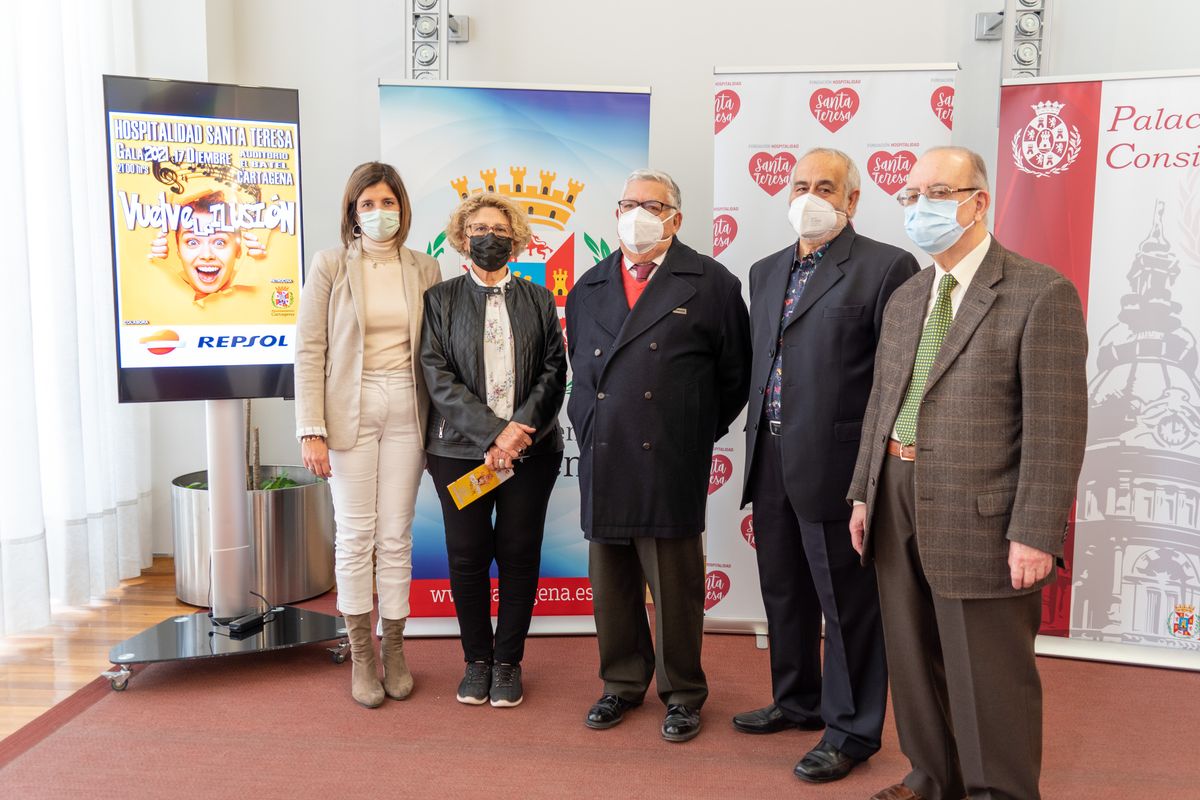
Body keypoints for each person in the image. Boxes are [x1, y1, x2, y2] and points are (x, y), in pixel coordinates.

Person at [847, 146, 1088, 800]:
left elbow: (1056, 427)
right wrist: (863, 492)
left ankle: (998, 792)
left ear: (978, 201)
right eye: (910, 196)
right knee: (914, 656)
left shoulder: (1041, 293)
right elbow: (883, 401)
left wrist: (1036, 531)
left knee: (989, 672)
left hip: (983, 512)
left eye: (936, 193)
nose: (919, 208)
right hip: (895, 494)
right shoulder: (907, 297)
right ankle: (931, 778)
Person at [736, 149, 919, 782]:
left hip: (839, 463)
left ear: (852, 198)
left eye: (825, 186)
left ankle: (851, 731)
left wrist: (875, 470)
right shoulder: (763, 271)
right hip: (771, 453)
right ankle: (797, 701)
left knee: (847, 603)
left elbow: (896, 379)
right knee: (783, 588)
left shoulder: (886, 266)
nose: (810, 196)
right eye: (800, 184)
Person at [566, 169, 751, 743]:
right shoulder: (589, 286)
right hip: (605, 449)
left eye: (651, 203)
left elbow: (734, 377)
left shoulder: (712, 283)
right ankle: (621, 682)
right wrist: (589, 420)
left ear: (676, 216)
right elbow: (581, 369)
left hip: (669, 455)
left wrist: (689, 430)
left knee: (674, 585)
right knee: (612, 581)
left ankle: (683, 693)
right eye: (627, 203)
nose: (637, 213)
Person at [294, 161, 442, 708]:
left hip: (408, 405)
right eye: (367, 204)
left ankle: (395, 648)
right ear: (353, 214)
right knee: (356, 534)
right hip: (347, 410)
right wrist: (312, 429)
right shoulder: (330, 265)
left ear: (402, 207)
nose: (379, 212)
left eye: (388, 202)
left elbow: (438, 350)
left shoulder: (426, 268)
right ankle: (361, 656)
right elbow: (310, 348)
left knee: (396, 535)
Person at [420, 192, 567, 708]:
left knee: (519, 556)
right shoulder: (439, 300)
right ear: (463, 237)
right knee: (466, 556)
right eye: (479, 228)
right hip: (459, 453)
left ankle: (508, 663)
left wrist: (519, 430)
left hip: (531, 451)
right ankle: (476, 661)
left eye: (501, 230)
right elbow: (437, 377)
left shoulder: (540, 299)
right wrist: (491, 434)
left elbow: (555, 371)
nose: (490, 237)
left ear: (517, 240)